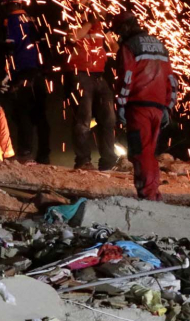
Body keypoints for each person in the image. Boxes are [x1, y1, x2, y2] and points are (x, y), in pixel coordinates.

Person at [112, 10, 177, 201]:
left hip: (137, 105)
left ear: (125, 27)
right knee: (150, 151)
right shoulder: (159, 45)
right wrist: (167, 106)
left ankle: (148, 195)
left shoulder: (129, 46)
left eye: (118, 30)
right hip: (158, 107)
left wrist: (121, 104)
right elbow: (171, 79)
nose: (118, 35)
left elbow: (127, 77)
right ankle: (154, 192)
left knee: (140, 152)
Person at [1, 0, 50, 163]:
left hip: (22, 71)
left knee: (23, 113)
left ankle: (25, 153)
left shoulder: (11, 21)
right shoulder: (32, 20)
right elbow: (44, 45)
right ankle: (44, 155)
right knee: (40, 114)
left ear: (10, 3)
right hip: (37, 71)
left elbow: (10, 48)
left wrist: (8, 76)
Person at [67, 12, 117, 170]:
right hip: (79, 74)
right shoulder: (72, 18)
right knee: (83, 120)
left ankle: (109, 161)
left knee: (108, 118)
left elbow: (114, 47)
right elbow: (73, 38)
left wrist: (121, 48)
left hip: (99, 75)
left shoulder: (102, 25)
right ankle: (83, 161)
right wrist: (89, 23)